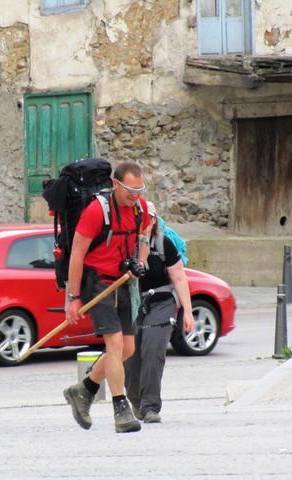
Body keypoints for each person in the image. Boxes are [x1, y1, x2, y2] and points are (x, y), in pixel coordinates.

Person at [63, 161, 150, 433]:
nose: (135, 195)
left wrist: (140, 263)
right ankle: (120, 409)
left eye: (139, 190)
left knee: (128, 348)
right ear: (115, 184)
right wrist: (73, 297)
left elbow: (144, 235)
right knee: (114, 344)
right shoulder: (95, 211)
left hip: (123, 282)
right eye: (129, 190)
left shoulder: (140, 208)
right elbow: (77, 254)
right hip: (97, 282)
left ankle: (83, 389)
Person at [124, 201, 195, 423]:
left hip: (162, 302)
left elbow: (179, 278)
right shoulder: (126, 245)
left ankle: (151, 407)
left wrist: (189, 313)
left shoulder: (164, 244)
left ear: (154, 220)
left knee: (153, 350)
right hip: (133, 303)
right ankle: (135, 401)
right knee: (131, 355)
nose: (145, 223)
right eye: (141, 219)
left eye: (149, 219)